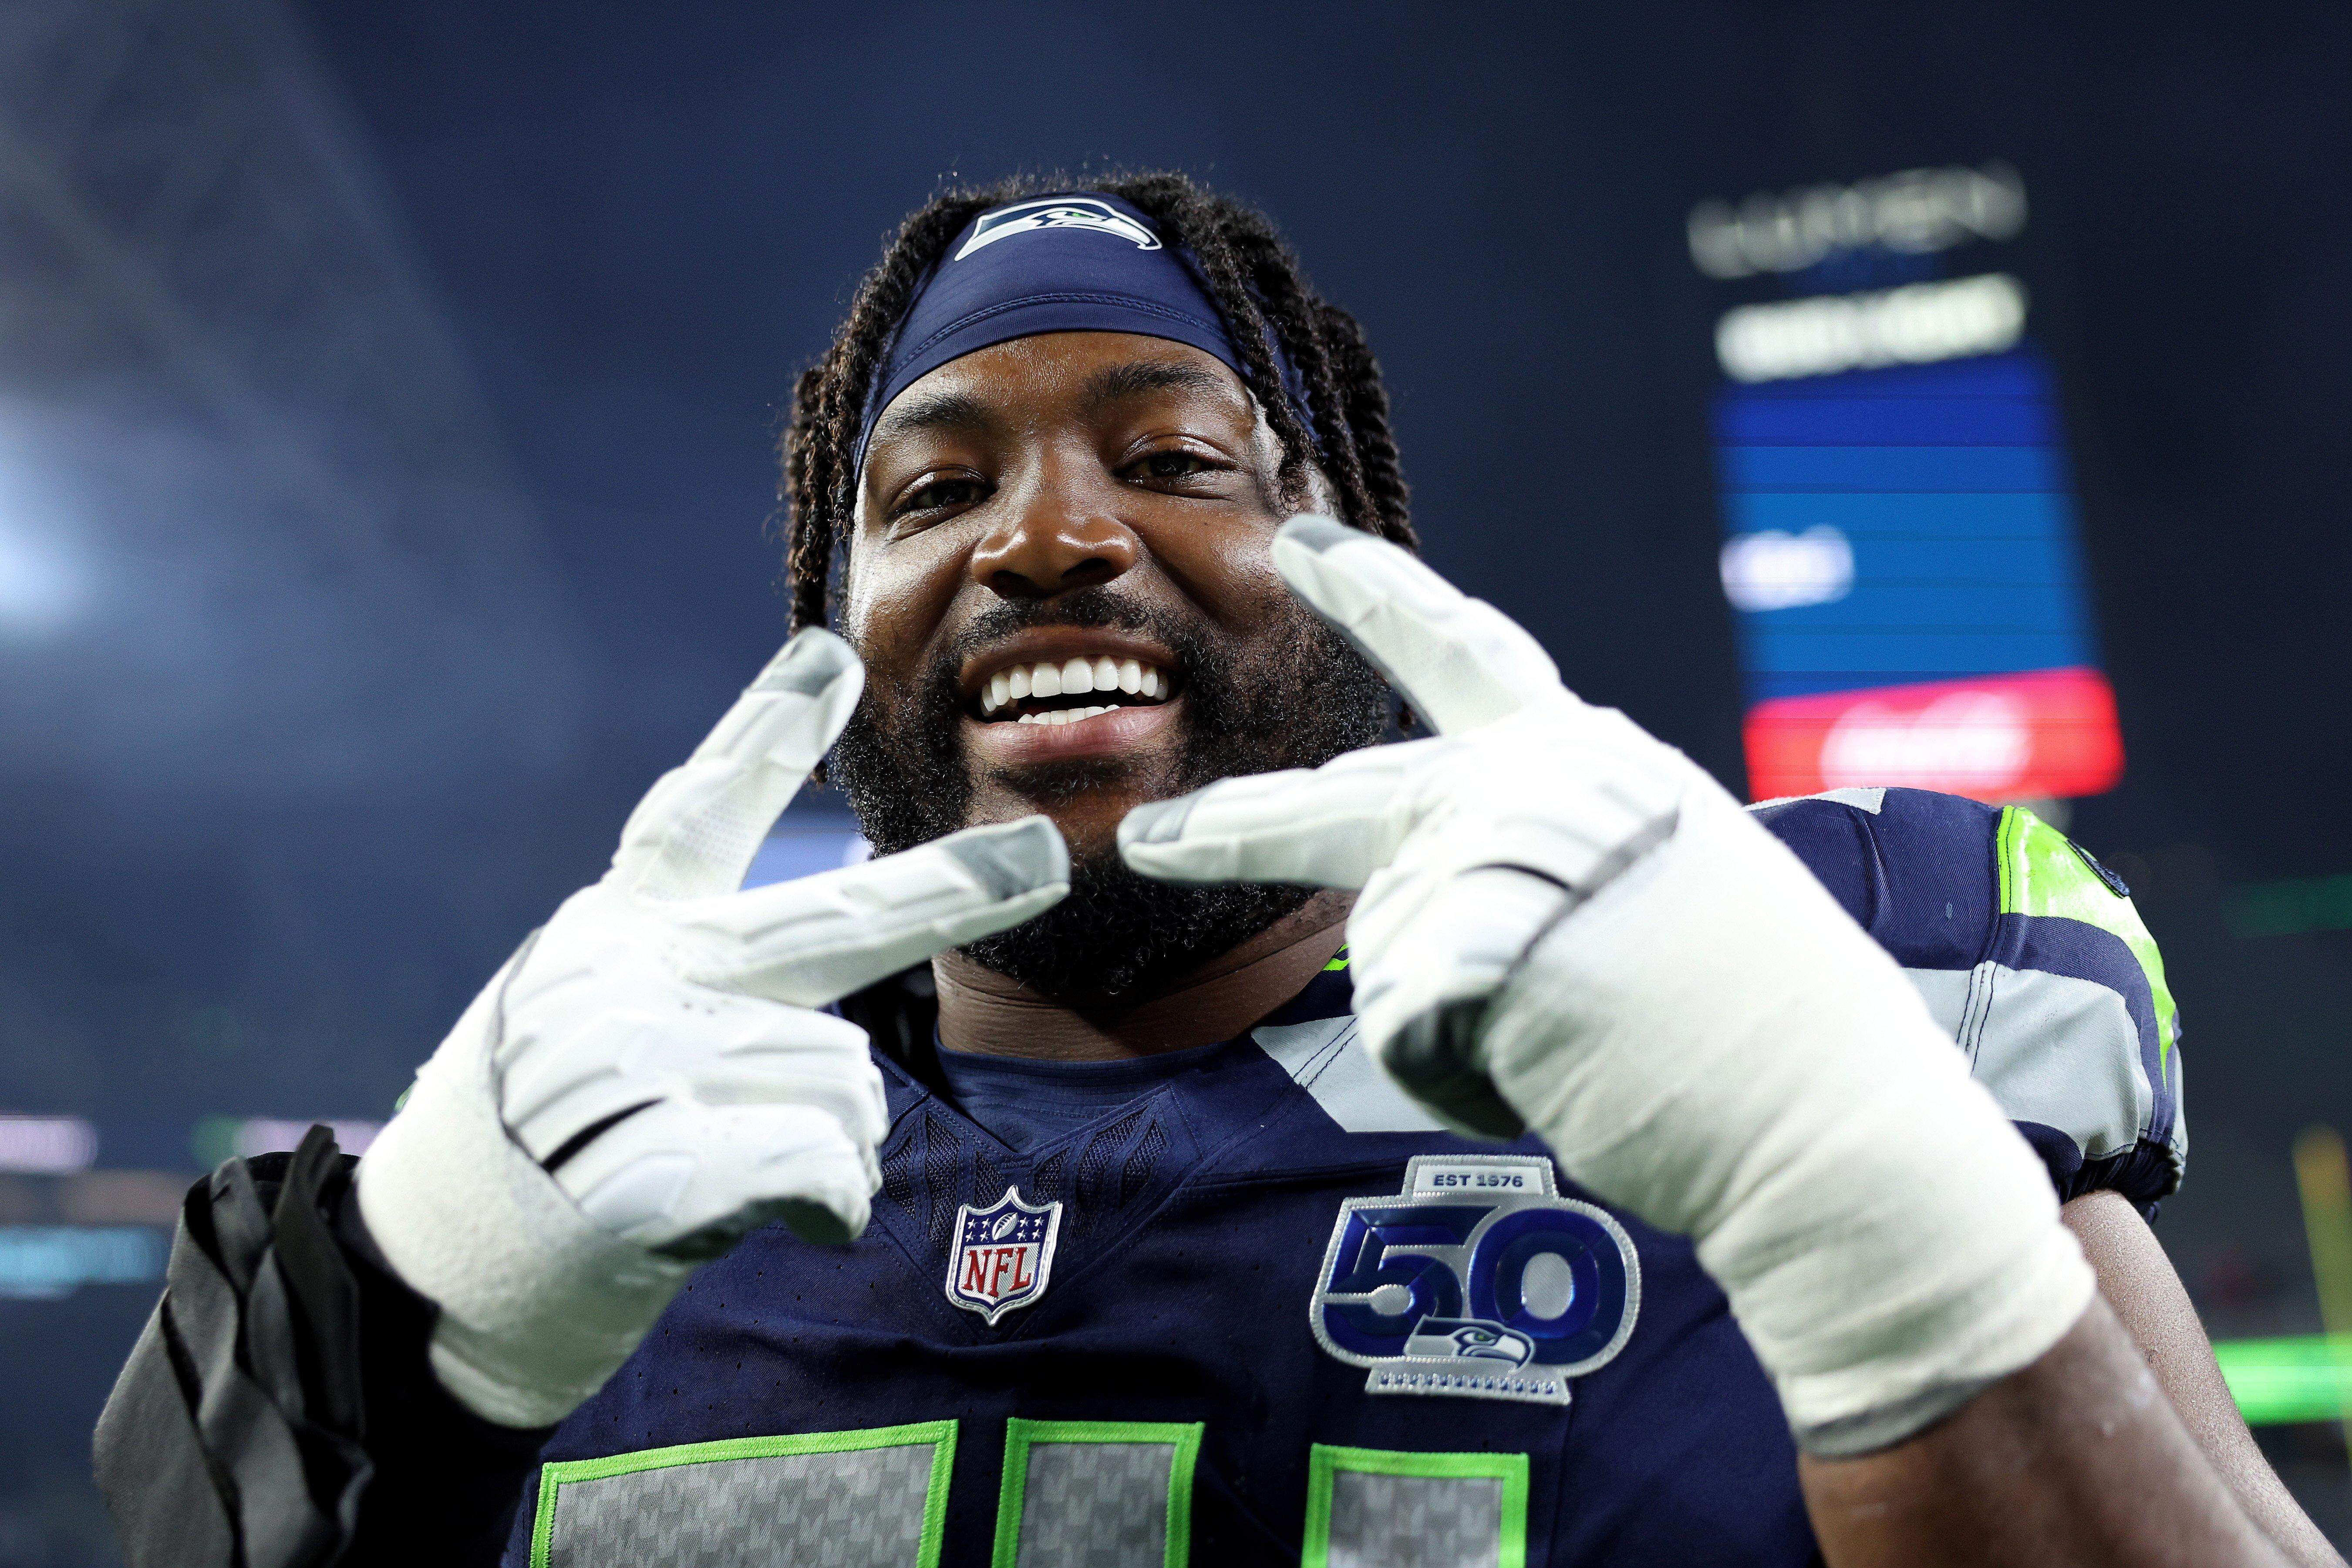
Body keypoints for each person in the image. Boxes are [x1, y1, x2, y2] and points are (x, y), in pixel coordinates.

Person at [95, 173, 2341, 1568]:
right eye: (925, 489)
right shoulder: (592, 1160)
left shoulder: (1837, 974)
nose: (1048, 535)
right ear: (831, 610)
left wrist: (1844, 1178)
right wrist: (400, 1325)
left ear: (1361, 560)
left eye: (1174, 457)